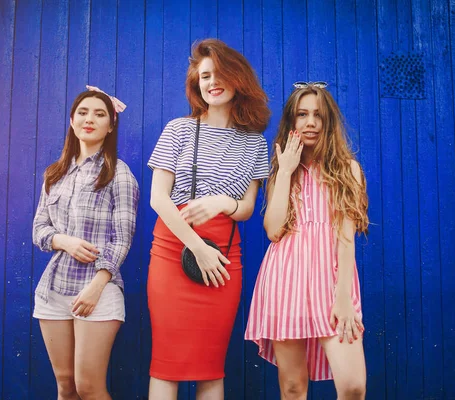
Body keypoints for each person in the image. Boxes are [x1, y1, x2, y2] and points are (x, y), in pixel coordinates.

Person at [146, 39, 270, 399]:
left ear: (238, 79)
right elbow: (158, 198)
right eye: (204, 76)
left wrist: (221, 203)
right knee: (166, 364)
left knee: (211, 366)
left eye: (219, 73)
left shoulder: (255, 142)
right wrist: (196, 245)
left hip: (225, 256)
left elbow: (246, 208)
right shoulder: (178, 129)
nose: (211, 82)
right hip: (175, 248)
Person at [245, 82, 369, 400]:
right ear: (292, 122)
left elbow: (345, 238)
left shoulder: (348, 169)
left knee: (353, 387)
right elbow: (273, 231)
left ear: (329, 122)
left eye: (318, 115)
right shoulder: (281, 171)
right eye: (302, 115)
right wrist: (285, 171)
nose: (310, 122)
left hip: (332, 282)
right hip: (286, 280)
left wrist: (343, 298)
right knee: (293, 387)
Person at [32, 86, 139, 400]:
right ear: (72, 120)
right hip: (53, 292)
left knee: (89, 388)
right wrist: (63, 240)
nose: (89, 119)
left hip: (97, 293)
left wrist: (96, 287)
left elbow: (122, 239)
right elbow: (39, 229)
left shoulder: (118, 174)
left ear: (111, 125)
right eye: (83, 112)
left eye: (99, 113)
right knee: (65, 387)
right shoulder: (55, 174)